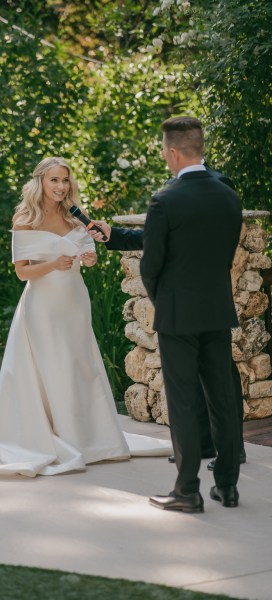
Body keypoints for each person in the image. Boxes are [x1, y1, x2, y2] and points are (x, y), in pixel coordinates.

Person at [0, 157, 171, 478]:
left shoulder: (76, 217)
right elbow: (22, 271)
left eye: (65, 180)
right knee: (46, 366)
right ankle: (46, 435)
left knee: (77, 364)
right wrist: (53, 265)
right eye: (54, 180)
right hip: (41, 305)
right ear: (40, 181)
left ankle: (86, 437)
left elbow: (92, 259)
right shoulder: (25, 219)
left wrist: (89, 257)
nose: (60, 187)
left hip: (74, 301)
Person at [92, 117, 242, 512]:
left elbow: (151, 266)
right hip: (217, 309)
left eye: (163, 150)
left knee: (182, 400)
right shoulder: (228, 195)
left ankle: (187, 490)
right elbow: (225, 256)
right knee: (222, 397)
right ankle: (227, 486)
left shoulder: (166, 199)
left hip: (178, 313)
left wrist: (164, 301)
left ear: (173, 152)